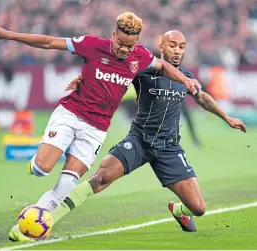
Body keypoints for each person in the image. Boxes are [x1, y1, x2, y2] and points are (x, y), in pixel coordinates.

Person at [0, 13, 200, 241]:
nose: (125, 50)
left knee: (67, 184)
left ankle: (28, 227)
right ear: (113, 35)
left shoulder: (140, 56)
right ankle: (39, 160)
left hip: (96, 130)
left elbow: (163, 65)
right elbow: (48, 42)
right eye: (121, 44)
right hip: (71, 114)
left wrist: (185, 81)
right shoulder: (92, 45)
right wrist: (7, 35)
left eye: (130, 45)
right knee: (41, 168)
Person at [45, 30, 246, 235]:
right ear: (161, 47)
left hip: (169, 147)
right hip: (139, 141)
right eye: (172, 45)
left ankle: (177, 209)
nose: (177, 51)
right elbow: (111, 74)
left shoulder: (185, 77)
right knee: (99, 180)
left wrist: (227, 117)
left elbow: (202, 98)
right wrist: (84, 79)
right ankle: (48, 219)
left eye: (181, 47)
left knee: (199, 209)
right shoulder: (142, 70)